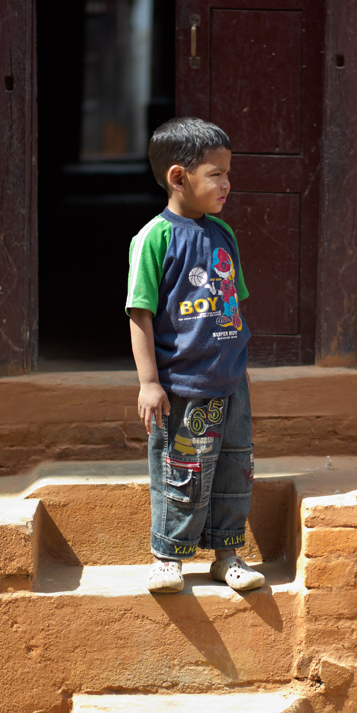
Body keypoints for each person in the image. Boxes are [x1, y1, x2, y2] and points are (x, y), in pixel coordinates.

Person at [125, 117, 265, 594]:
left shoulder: (223, 234)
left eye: (228, 173)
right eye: (216, 174)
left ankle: (227, 554)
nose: (227, 183)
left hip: (230, 381)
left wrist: (235, 361)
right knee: (181, 470)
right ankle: (168, 556)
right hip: (182, 387)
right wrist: (149, 382)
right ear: (178, 177)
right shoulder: (154, 239)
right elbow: (139, 315)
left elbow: (234, 302)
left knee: (234, 466)